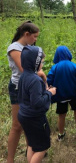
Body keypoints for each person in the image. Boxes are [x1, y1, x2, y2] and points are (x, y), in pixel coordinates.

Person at [7, 21, 40, 163]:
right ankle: (10, 160)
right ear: (26, 34)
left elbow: (37, 65)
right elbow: (25, 68)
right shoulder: (15, 48)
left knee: (29, 122)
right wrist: (41, 72)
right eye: (34, 36)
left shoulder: (29, 47)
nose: (35, 40)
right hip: (18, 89)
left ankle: (31, 154)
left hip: (30, 88)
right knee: (17, 125)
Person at [18, 46, 56, 163]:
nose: (42, 64)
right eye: (42, 61)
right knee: (42, 147)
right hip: (35, 118)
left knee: (32, 144)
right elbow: (37, 103)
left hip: (24, 115)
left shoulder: (24, 76)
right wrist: (50, 93)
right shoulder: (34, 80)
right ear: (35, 62)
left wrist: (44, 81)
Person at [47, 46, 76, 141]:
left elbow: (49, 79)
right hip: (74, 93)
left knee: (62, 114)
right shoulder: (74, 65)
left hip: (61, 95)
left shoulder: (55, 67)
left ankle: (61, 134)